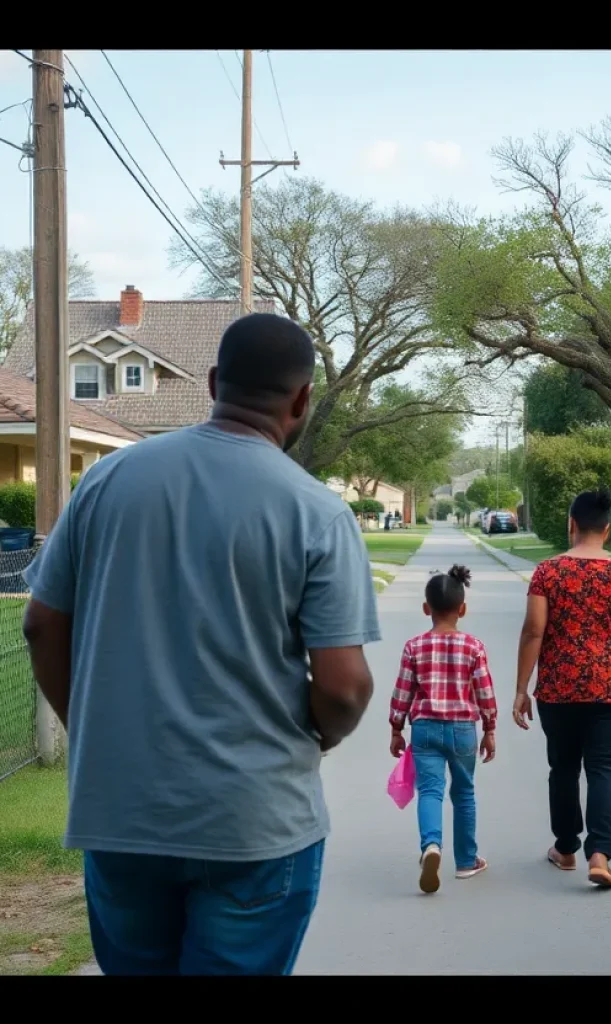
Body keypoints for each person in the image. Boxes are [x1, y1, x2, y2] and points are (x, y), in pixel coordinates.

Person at [22, 312, 380, 976]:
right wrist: (318, 737)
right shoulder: (316, 511)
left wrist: (91, 727)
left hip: (121, 810)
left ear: (215, 381)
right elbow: (344, 685)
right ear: (301, 400)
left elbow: (42, 623)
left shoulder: (105, 482)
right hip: (254, 820)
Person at [513, 487, 611, 889]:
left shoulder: (548, 572)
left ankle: (565, 848)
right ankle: (600, 854)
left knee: (563, 768)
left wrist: (522, 688)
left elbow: (533, 630)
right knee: (603, 769)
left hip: (558, 688)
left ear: (571, 524)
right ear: (607, 530)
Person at [389, 565, 496, 894]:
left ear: (426, 609)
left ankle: (431, 847)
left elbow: (402, 691)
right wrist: (490, 728)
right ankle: (466, 862)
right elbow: (485, 692)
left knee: (431, 792)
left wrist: (396, 727)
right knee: (464, 793)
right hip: (463, 728)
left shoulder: (414, 647)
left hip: (425, 730)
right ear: (462, 609)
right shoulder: (474, 647)